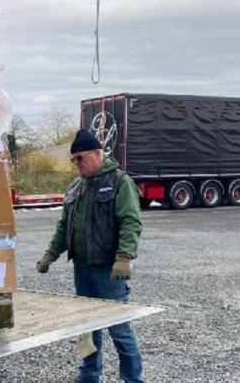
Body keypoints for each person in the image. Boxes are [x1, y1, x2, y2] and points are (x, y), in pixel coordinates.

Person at [37, 129, 144, 383]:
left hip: (109, 270)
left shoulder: (119, 182)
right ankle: (89, 377)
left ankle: (133, 379)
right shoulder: (76, 188)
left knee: (120, 329)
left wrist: (124, 257)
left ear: (98, 154)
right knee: (86, 328)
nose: (77, 164)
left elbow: (130, 222)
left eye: (80, 158)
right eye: (73, 160)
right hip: (82, 270)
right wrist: (50, 254)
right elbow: (65, 227)